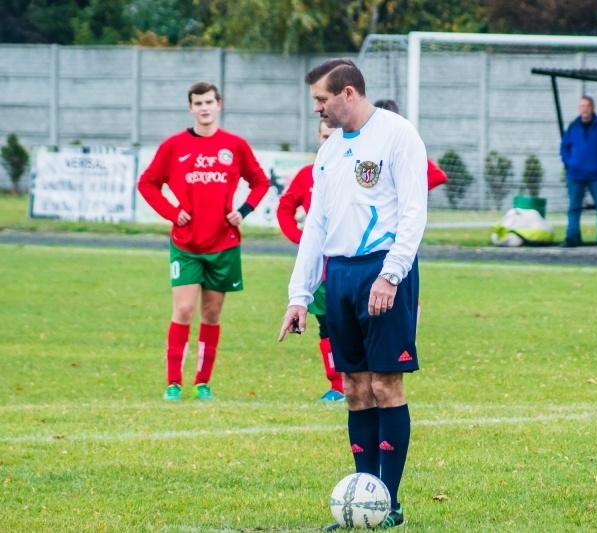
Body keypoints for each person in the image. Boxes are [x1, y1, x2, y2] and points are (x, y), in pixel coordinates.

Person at [278, 58, 428, 530]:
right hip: (339, 275)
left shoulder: (398, 135)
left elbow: (413, 212)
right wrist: (299, 295)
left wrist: (392, 274)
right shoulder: (328, 153)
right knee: (354, 388)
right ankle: (364, 502)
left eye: (321, 100)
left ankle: (391, 503)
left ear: (347, 93)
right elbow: (316, 227)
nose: (316, 109)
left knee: (386, 385)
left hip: (382, 270)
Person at [138, 81, 268, 401]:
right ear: (191, 108)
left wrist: (244, 210)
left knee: (211, 315)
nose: (204, 108)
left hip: (223, 243)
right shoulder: (174, 146)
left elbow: (260, 182)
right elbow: (147, 183)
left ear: (219, 104)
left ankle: (202, 382)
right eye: (198, 103)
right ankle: (173, 383)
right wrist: (172, 212)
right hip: (186, 244)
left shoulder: (235, 146)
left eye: (209, 102)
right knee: (183, 309)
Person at [277, 119, 345, 402]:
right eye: (324, 136)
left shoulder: (353, 171)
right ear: (318, 137)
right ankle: (336, 387)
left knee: (354, 327)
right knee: (327, 326)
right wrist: (299, 237)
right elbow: (285, 208)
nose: (329, 141)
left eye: (334, 136)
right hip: (320, 270)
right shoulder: (308, 175)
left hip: (351, 265)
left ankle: (361, 384)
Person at [559, 95, 597, 248]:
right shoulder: (573, 126)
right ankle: (572, 237)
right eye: (581, 106)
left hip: (596, 175)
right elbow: (564, 148)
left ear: (593, 108)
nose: (584, 109)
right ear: (578, 109)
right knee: (574, 208)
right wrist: (570, 162)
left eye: (587, 106)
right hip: (575, 175)